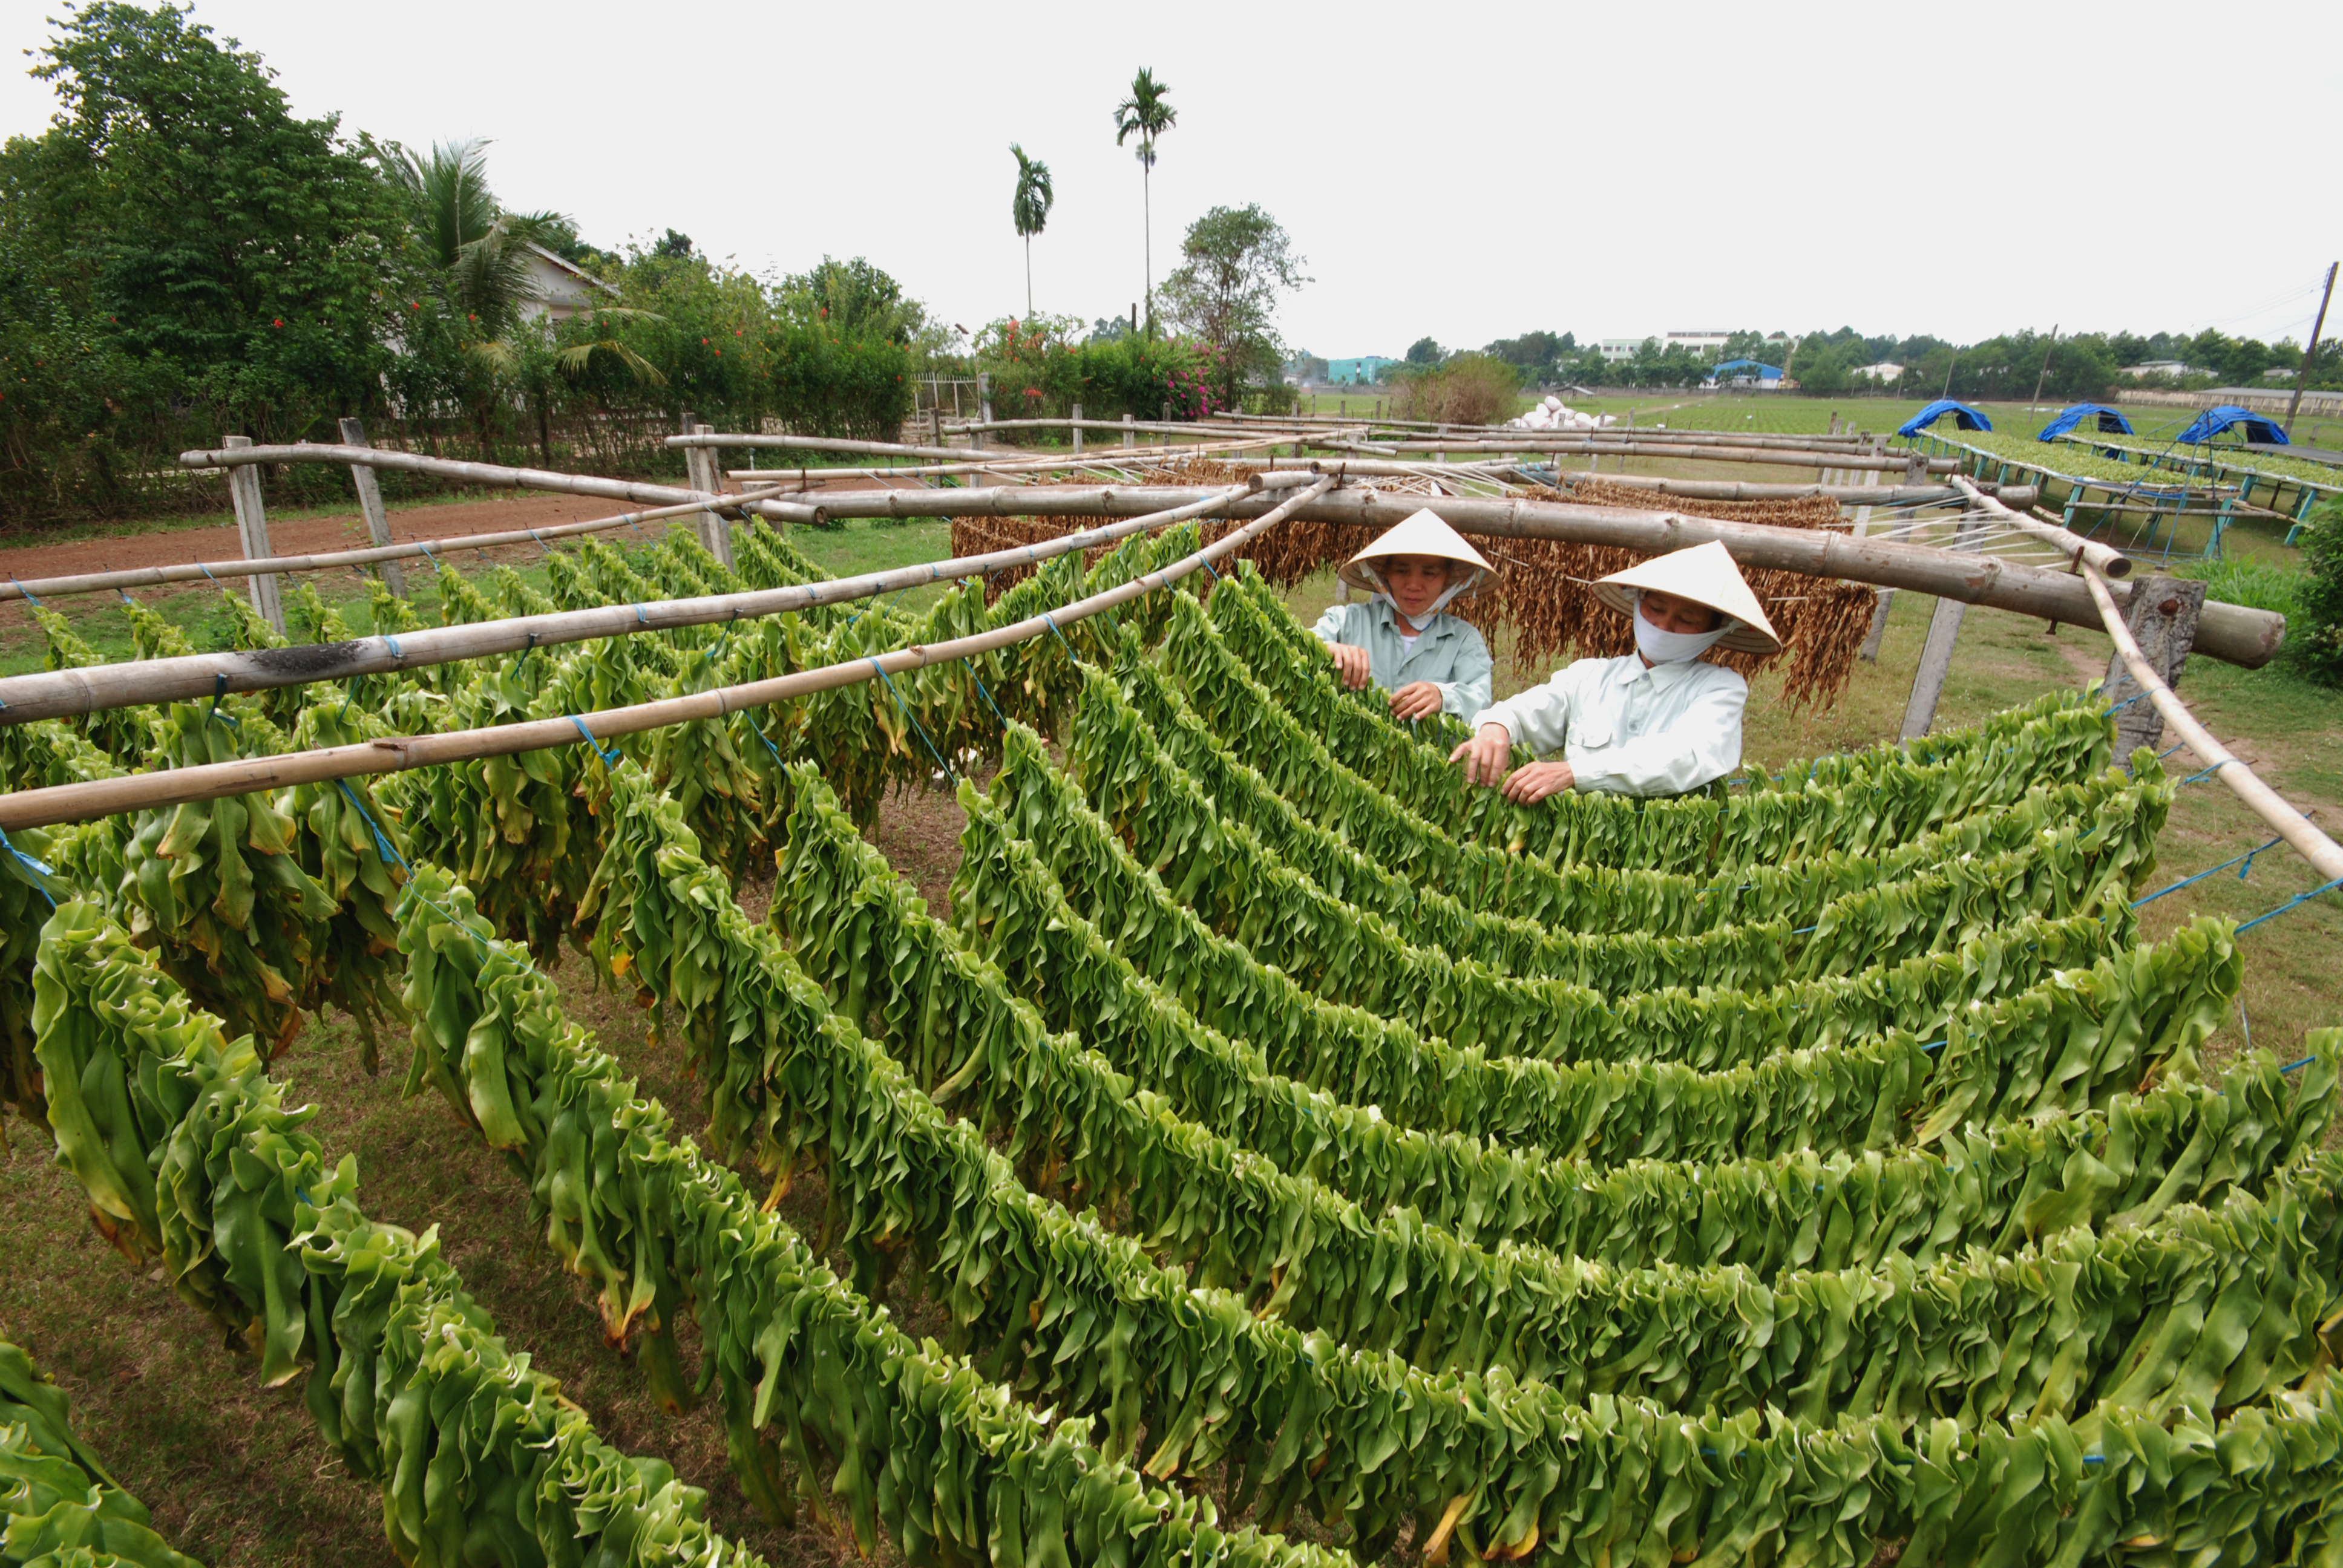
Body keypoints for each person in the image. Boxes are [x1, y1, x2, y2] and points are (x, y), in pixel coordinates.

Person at [1450, 540, 1781, 802]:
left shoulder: (1720, 690)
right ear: (1638, 603)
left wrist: (1573, 773)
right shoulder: (1590, 677)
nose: (1664, 626)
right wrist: (1497, 727)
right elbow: (1531, 711)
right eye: (1656, 609)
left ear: (1714, 630)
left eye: (1687, 620)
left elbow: (1686, 756)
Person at [1311, 509, 1495, 722]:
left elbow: (1480, 701)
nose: (1414, 585)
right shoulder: (1347, 622)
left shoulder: (1464, 641)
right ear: (1386, 574)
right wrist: (1327, 649)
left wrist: (1443, 697)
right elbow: (1296, 646)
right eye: (1401, 571)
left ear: (1447, 578)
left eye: (1429, 573)